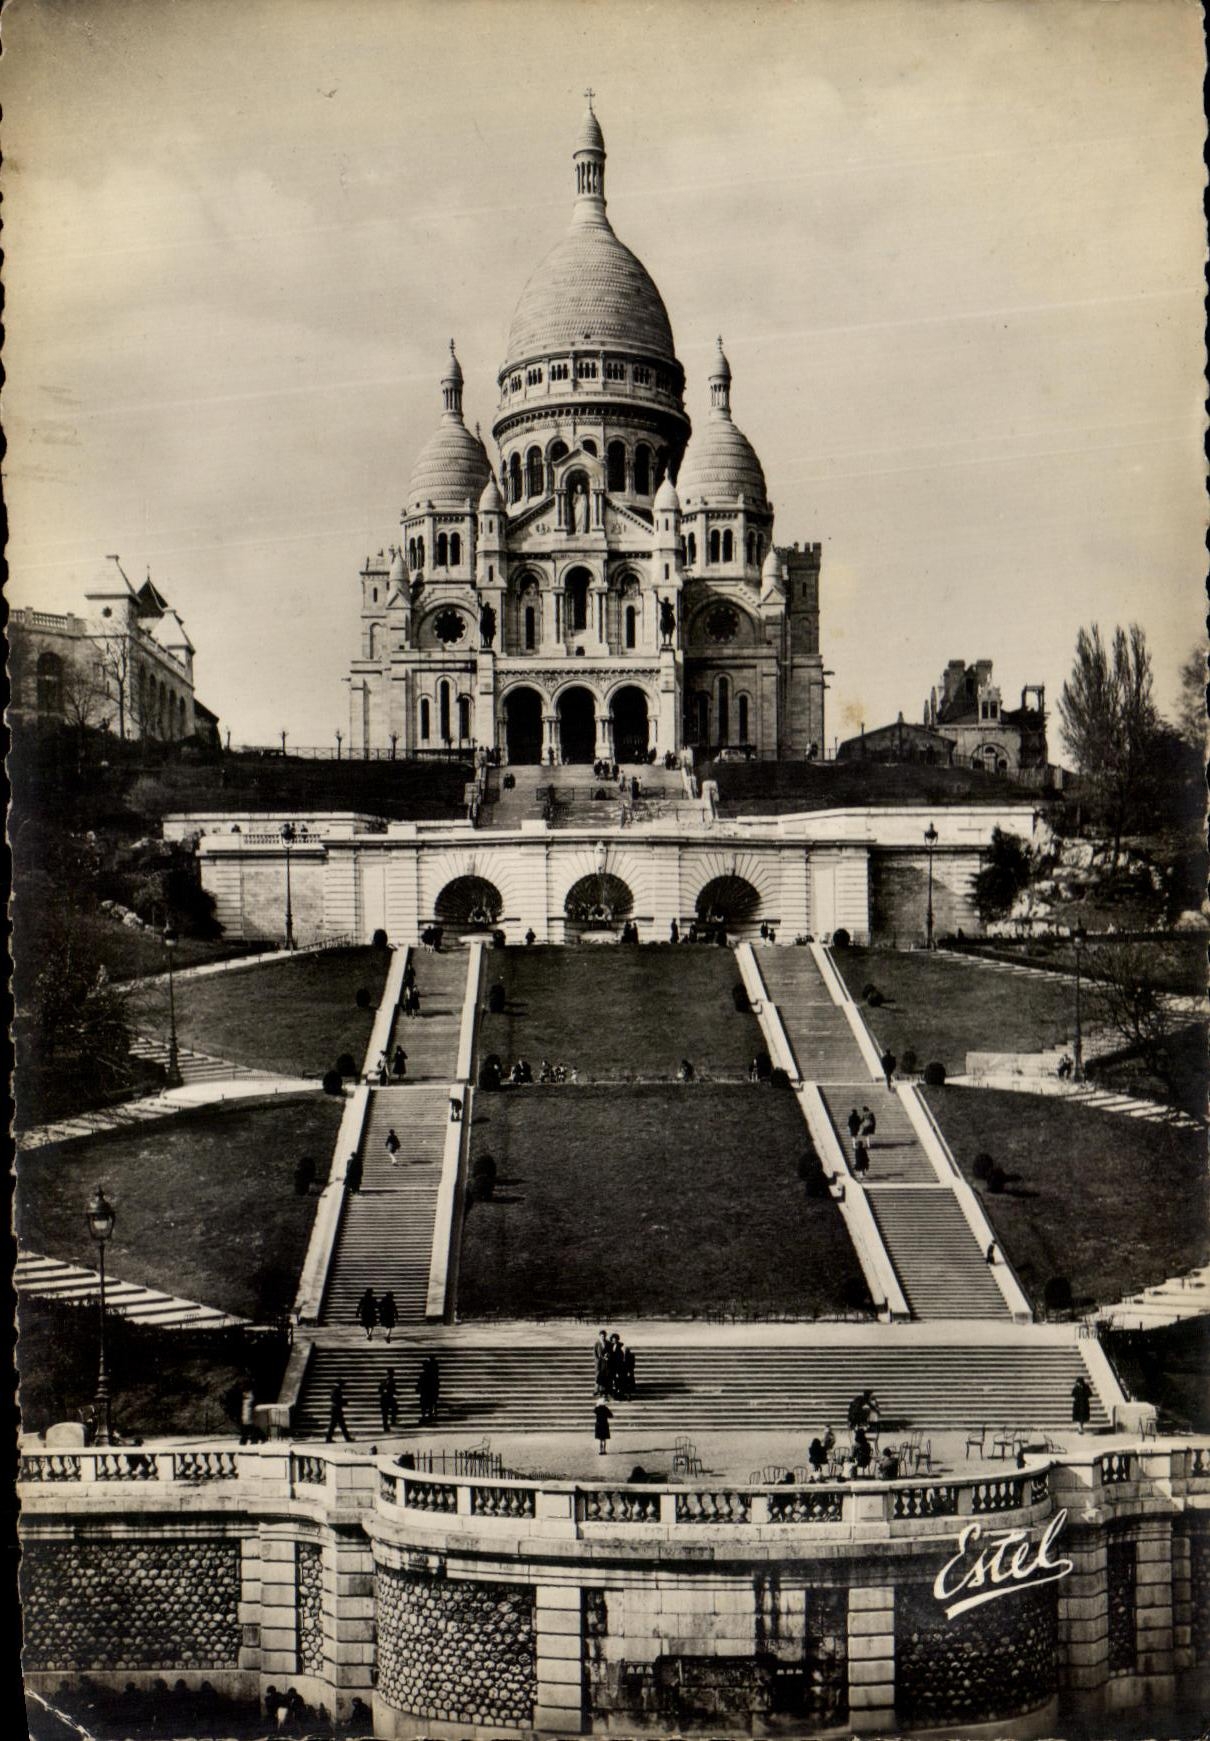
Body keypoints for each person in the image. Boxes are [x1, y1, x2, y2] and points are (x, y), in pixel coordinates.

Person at [417, 1355, 440, 1423]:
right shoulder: (428, 1375)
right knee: (427, 1405)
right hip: (427, 1393)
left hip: (427, 1393)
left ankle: (426, 1416)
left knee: (426, 1405)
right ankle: (428, 1416)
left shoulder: (426, 1375)